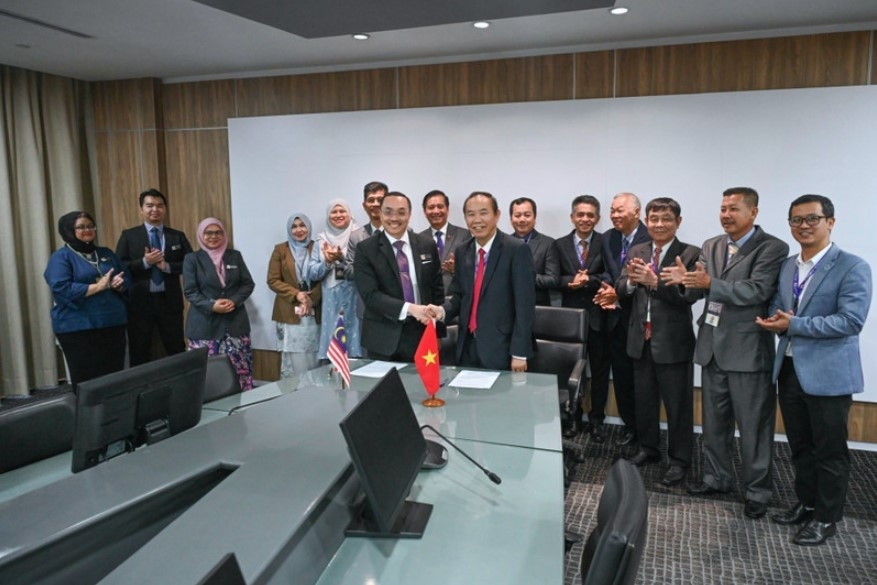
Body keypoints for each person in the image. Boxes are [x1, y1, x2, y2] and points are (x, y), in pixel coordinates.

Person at [756, 194, 871, 546]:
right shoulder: (789, 265)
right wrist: (776, 317)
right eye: (796, 220)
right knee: (800, 446)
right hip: (789, 368)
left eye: (811, 219)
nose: (803, 226)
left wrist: (794, 325)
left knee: (830, 451)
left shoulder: (852, 266)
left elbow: (850, 321)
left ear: (830, 222)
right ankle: (806, 503)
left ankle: (827, 517)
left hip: (829, 375)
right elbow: (781, 302)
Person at [669, 187, 788, 520]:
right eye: (722, 208)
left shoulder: (772, 247)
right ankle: (717, 478)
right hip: (711, 347)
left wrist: (708, 284)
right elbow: (698, 287)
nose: (725, 214)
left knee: (753, 427)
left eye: (733, 209)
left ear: (753, 212)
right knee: (714, 423)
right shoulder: (712, 245)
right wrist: (684, 282)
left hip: (748, 351)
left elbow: (758, 290)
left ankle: (757, 490)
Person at [617, 198, 699, 486]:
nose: (659, 224)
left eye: (665, 219)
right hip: (640, 339)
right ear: (646, 221)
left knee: (678, 406)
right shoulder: (638, 250)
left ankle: (679, 461)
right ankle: (648, 448)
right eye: (653, 219)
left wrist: (655, 283)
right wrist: (630, 281)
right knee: (645, 401)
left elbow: (691, 296)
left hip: (673, 342)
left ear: (678, 221)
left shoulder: (690, 254)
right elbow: (621, 287)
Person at [431, 191, 535, 372]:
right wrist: (440, 311)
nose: (477, 219)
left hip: (502, 347)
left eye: (484, 212)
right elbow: (458, 296)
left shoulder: (517, 250)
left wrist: (519, 353)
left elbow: (525, 305)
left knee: (499, 399)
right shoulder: (463, 250)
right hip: (467, 345)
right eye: (471, 214)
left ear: (497, 215)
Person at [354, 192, 444, 361]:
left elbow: (436, 290)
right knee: (385, 388)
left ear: (409, 215)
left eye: (401, 212)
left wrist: (437, 333)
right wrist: (411, 309)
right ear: (380, 213)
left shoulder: (427, 244)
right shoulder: (366, 249)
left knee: (421, 387)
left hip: (423, 335)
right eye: (388, 212)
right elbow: (370, 296)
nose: (394, 218)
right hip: (383, 339)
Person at [43, 211, 129, 386]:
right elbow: (61, 287)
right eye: (81, 227)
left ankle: (115, 412)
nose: (87, 230)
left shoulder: (106, 253)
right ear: (68, 231)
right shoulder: (61, 257)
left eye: (90, 226)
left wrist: (120, 283)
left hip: (112, 322)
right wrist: (98, 287)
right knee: (87, 379)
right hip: (78, 326)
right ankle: (89, 414)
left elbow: (125, 276)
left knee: (114, 376)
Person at [594, 192, 651, 447]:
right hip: (616, 320)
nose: (614, 215)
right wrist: (607, 286)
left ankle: (646, 433)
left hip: (642, 321)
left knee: (644, 382)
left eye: (620, 210)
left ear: (637, 212)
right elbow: (610, 270)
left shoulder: (651, 238)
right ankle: (630, 427)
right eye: (613, 210)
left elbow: (648, 280)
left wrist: (616, 293)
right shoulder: (608, 238)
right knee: (622, 378)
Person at [116, 188, 193, 366]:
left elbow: (190, 264)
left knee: (176, 348)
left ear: (165, 209)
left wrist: (166, 267)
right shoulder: (129, 236)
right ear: (141, 209)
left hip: (169, 302)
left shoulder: (177, 235)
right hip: (139, 302)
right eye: (149, 205)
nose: (155, 210)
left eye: (159, 205)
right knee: (140, 349)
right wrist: (144, 262)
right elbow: (120, 265)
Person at [554, 195, 610, 440]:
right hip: (569, 318)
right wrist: (571, 282)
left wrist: (591, 280)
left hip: (599, 316)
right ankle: (571, 419)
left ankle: (597, 420)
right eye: (580, 215)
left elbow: (611, 272)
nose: (585, 219)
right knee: (568, 371)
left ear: (597, 218)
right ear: (572, 217)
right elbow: (555, 276)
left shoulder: (607, 242)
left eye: (590, 215)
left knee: (599, 372)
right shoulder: (559, 244)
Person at [183, 218, 255, 390]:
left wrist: (234, 301)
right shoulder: (192, 259)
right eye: (208, 232)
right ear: (201, 234)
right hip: (204, 327)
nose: (213, 236)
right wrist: (212, 305)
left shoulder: (234, 256)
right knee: (207, 378)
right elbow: (190, 291)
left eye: (218, 232)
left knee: (241, 373)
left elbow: (247, 284)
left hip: (235, 326)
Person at [267, 213, 322, 378]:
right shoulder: (280, 250)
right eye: (294, 226)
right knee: (294, 361)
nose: (299, 230)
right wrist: (297, 294)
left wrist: (311, 298)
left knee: (315, 358)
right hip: (289, 311)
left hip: (315, 311)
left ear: (309, 227)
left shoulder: (318, 247)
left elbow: (325, 278)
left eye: (302, 225)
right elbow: (273, 280)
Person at [308, 199, 364, 359]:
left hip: (356, 296)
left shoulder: (360, 235)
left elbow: (365, 268)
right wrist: (327, 262)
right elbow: (312, 273)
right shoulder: (321, 240)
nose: (338, 215)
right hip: (331, 300)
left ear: (349, 213)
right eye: (334, 212)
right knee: (335, 349)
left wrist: (341, 257)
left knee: (357, 344)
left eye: (342, 211)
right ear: (328, 215)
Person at [418, 189, 470, 296]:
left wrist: (455, 269)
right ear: (424, 212)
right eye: (431, 207)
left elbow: (471, 270)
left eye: (440, 206)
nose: (436, 211)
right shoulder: (418, 239)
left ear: (447, 209)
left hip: (456, 300)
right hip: (429, 302)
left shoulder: (464, 235)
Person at [509, 197, 559, 306]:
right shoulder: (502, 243)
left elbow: (553, 279)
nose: (522, 219)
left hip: (537, 307)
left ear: (535, 217)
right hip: (507, 306)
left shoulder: (548, 243)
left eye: (527, 215)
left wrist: (524, 277)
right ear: (511, 218)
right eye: (517, 215)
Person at [344, 181, 388, 279]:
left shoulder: (402, 232)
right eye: (371, 200)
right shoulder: (356, 237)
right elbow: (348, 272)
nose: (376, 204)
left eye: (380, 200)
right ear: (364, 205)